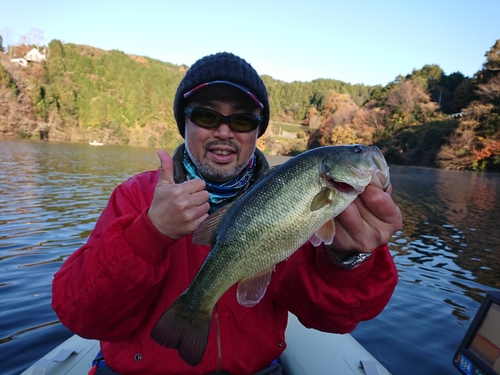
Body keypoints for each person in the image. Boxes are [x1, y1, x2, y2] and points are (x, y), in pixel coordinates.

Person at [52, 52, 402, 375]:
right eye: (206, 115)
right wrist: (150, 232)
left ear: (257, 131)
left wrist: (346, 258)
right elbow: (81, 315)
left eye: (242, 119)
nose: (224, 131)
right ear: (184, 123)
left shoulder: (298, 200)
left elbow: (333, 317)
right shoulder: (135, 196)